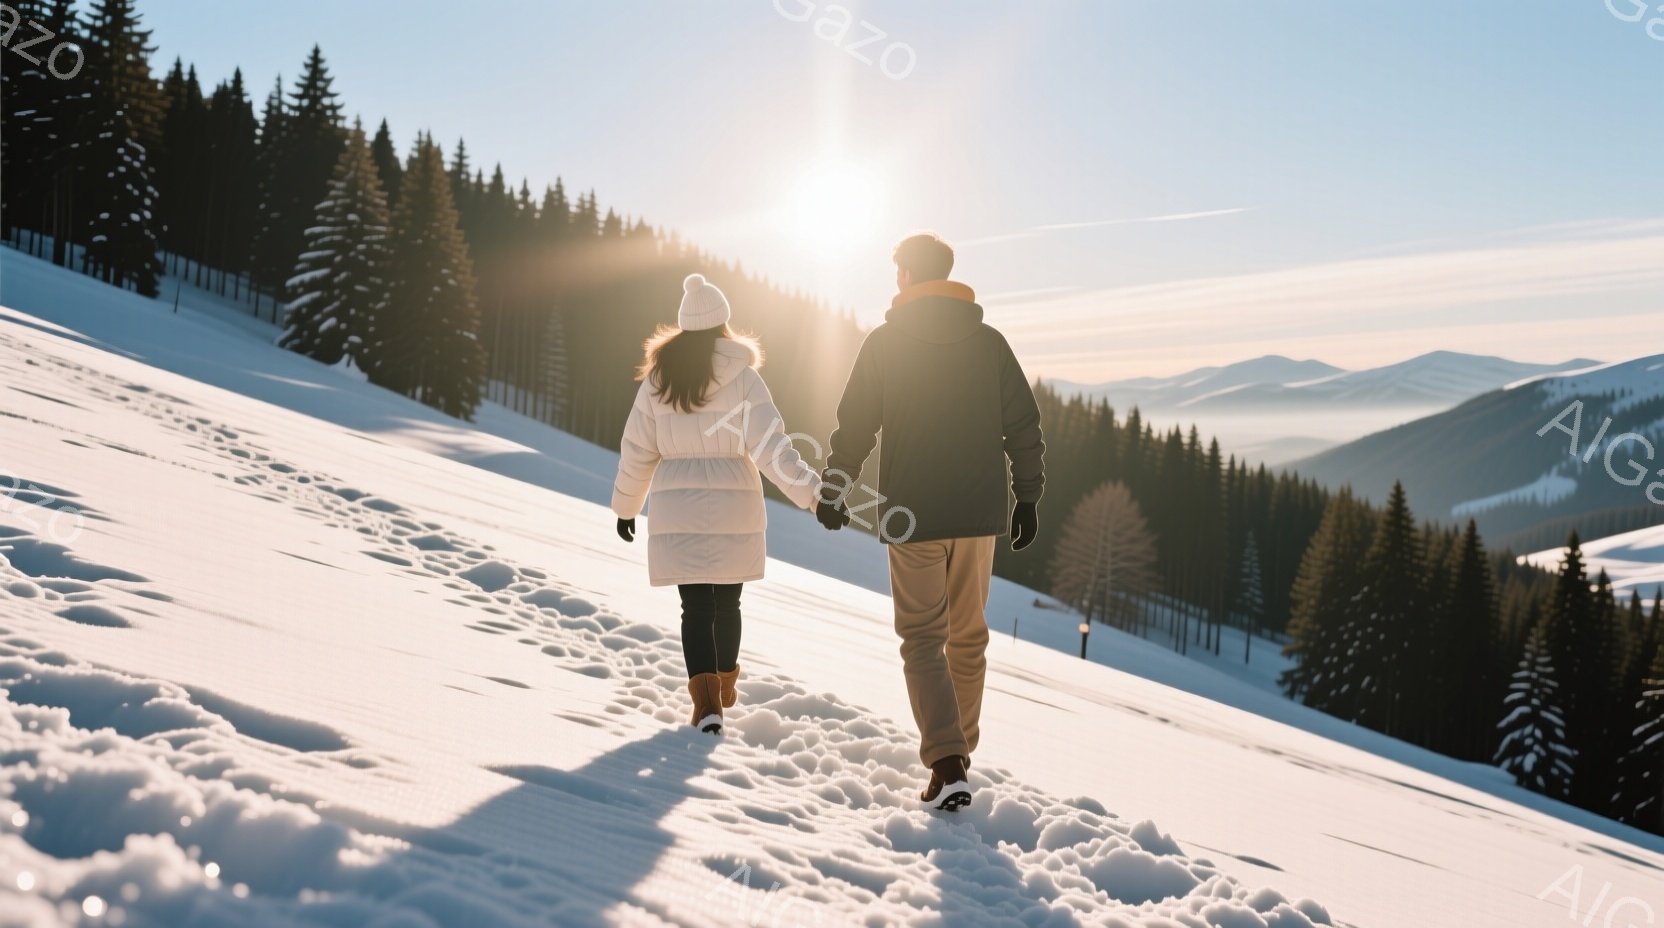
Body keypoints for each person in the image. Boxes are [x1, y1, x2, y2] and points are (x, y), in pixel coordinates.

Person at [816, 232, 1046, 811]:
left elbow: (856, 425)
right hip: (976, 515)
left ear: (909, 277)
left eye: (898, 273)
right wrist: (1027, 498)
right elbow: (1024, 424)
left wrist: (835, 487)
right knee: (968, 636)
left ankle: (946, 764)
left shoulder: (886, 342)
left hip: (911, 513)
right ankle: (958, 755)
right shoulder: (989, 343)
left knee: (922, 638)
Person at [613, 273, 822, 734]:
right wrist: (812, 495)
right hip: (735, 501)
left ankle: (706, 705)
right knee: (728, 605)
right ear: (723, 324)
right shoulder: (744, 378)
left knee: (695, 609)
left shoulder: (657, 380)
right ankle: (725, 685)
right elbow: (773, 447)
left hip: (676, 502)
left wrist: (626, 507)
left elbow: (637, 450)